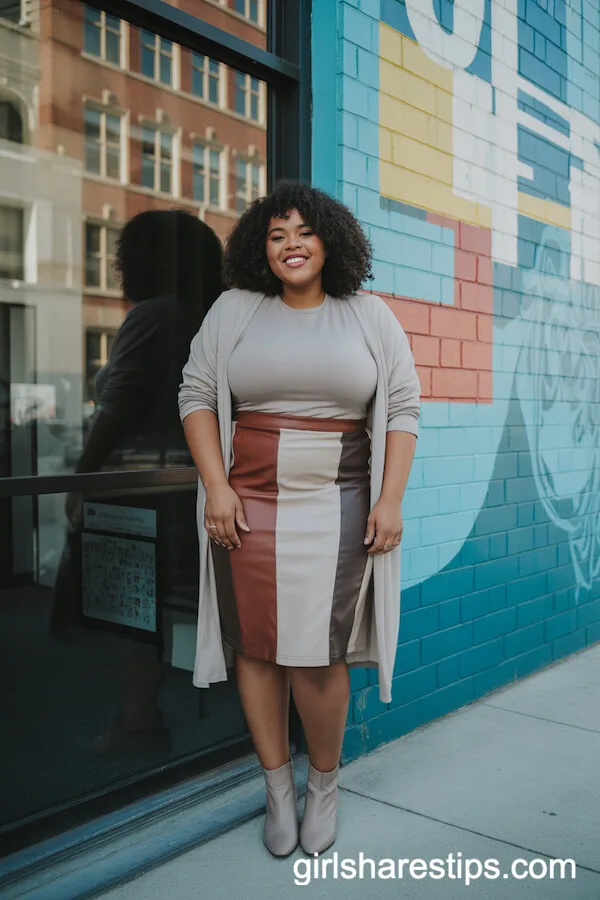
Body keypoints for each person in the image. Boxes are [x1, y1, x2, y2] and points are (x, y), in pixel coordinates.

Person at [178, 182, 420, 857]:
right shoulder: (235, 311)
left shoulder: (369, 315)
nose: (291, 245)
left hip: (339, 504)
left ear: (329, 242)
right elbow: (195, 394)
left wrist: (390, 499)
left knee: (319, 656)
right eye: (277, 234)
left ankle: (324, 787)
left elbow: (402, 408)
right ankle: (277, 790)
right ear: (263, 248)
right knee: (256, 645)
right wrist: (216, 488)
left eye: (304, 232)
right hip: (246, 502)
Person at [52, 209, 223, 751]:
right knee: (160, 608)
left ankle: (136, 725)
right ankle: (140, 719)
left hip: (134, 491)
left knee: (134, 615)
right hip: (183, 488)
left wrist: (79, 482)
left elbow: (117, 407)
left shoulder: (152, 316)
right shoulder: (209, 315)